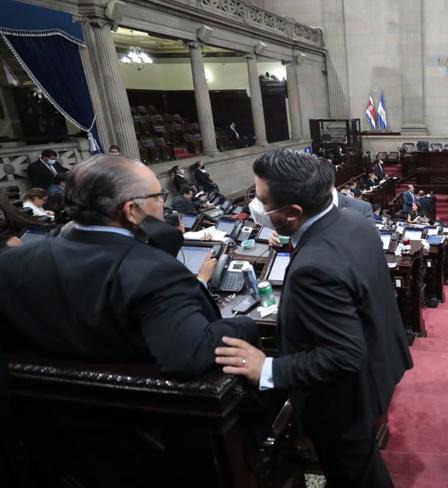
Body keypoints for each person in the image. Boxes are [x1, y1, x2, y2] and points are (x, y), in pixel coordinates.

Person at [215, 150, 412, 488]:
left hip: (346, 388)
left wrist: (267, 369)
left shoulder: (315, 266)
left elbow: (342, 354)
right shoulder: (353, 222)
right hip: (379, 359)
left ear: (292, 212)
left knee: (355, 453)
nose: (254, 206)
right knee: (353, 450)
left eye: (261, 200)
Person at [0, 155, 256, 377]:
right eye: (158, 197)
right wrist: (244, 325)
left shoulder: (11, 262)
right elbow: (188, 356)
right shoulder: (155, 272)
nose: (163, 204)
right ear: (132, 210)